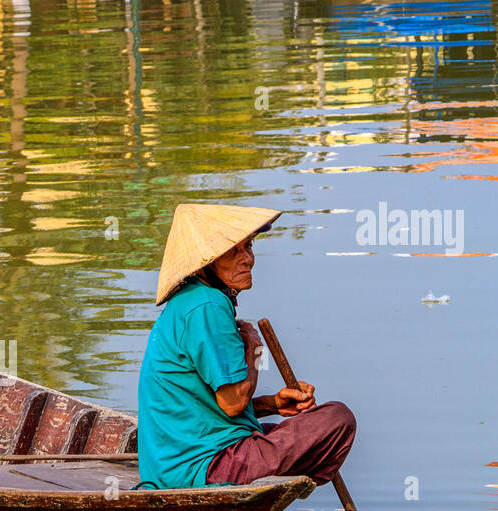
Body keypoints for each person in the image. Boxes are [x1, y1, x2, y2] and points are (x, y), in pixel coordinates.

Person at [137, 203, 356, 490]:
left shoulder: (192, 301)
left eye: (248, 247)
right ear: (207, 262)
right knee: (337, 418)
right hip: (201, 467)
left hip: (176, 464)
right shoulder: (208, 305)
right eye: (233, 251)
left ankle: (288, 481)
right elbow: (233, 404)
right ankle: (291, 483)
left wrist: (273, 404)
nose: (248, 260)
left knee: (296, 430)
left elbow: (209, 407)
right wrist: (252, 350)